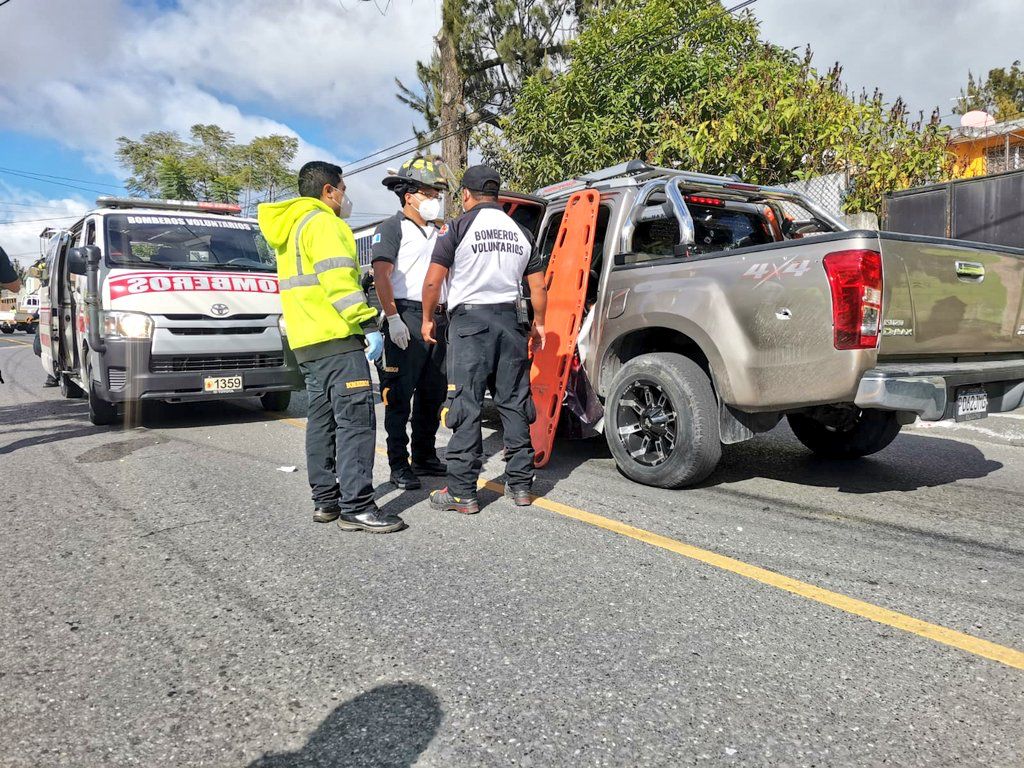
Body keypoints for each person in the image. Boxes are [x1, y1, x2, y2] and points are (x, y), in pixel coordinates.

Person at [258, 161, 404, 534]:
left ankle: (326, 501)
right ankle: (357, 506)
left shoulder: (291, 229)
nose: (345, 196)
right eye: (342, 188)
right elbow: (340, 282)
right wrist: (367, 323)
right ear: (328, 191)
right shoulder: (324, 223)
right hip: (338, 340)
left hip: (307, 342)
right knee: (355, 423)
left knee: (321, 422)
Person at [420, 164, 548, 515]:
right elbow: (537, 285)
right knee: (514, 401)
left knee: (467, 403)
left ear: (465, 195)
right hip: (511, 322)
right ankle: (521, 484)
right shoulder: (520, 231)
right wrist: (539, 325)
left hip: (470, 324)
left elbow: (433, 281)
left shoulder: (457, 227)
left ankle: (462, 492)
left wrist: (428, 319)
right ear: (496, 195)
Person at [372, 157, 450, 490]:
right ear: (409, 195)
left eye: (436, 192)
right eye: (429, 191)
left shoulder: (440, 231)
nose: (435, 198)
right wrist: (392, 318)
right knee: (399, 396)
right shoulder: (391, 228)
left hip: (438, 317)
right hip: (405, 315)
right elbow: (380, 275)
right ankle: (398, 464)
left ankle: (424, 455)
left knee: (433, 393)